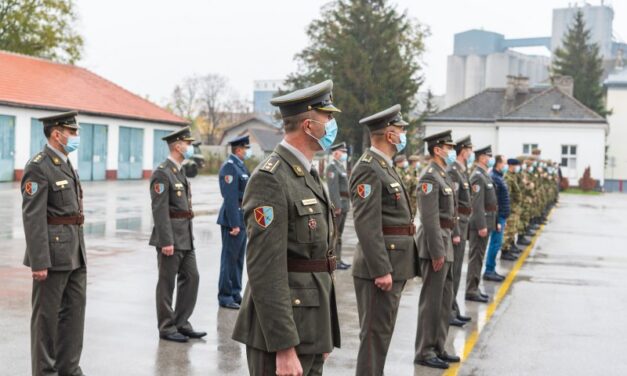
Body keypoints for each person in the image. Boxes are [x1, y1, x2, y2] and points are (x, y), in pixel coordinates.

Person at [232, 80, 341, 376]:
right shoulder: (271, 178)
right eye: (328, 118)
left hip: (310, 324)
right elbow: (265, 268)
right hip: (283, 335)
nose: (333, 125)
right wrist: (284, 347)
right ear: (308, 125)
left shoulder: (306, 172)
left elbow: (318, 258)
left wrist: (324, 330)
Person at [350, 104, 418, 375]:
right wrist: (381, 269)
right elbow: (367, 225)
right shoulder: (369, 168)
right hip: (380, 267)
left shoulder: (383, 166)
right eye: (400, 130)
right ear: (390, 135)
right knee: (374, 335)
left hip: (393, 263)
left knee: (381, 333)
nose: (403, 135)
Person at [21, 111, 88, 376]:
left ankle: (69, 368)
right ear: (57, 134)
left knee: (74, 316)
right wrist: (39, 261)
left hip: (75, 252)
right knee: (46, 320)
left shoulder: (66, 162)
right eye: (72, 132)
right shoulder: (39, 165)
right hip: (52, 254)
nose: (75, 137)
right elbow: (33, 217)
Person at [149, 126, 206, 343]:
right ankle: (166, 326)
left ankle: (181, 322)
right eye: (188, 143)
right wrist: (166, 241)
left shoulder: (179, 171)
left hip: (185, 237)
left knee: (192, 277)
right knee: (166, 284)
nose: (190, 147)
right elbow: (159, 210)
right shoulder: (162, 173)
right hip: (171, 239)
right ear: (177, 145)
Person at [414, 130, 460, 370]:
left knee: (444, 299)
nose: (451, 152)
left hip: (446, 240)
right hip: (436, 243)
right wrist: (437, 251)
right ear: (437, 149)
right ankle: (424, 350)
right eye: (448, 147)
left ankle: (439, 346)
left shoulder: (442, 174)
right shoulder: (429, 177)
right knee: (431, 301)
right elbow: (429, 218)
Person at [217, 135, 251, 309]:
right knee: (229, 259)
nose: (247, 151)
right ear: (238, 149)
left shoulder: (240, 166)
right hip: (233, 218)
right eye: (246, 148)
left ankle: (235, 293)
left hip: (241, 216)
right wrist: (234, 223)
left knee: (238, 259)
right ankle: (225, 296)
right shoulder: (229, 168)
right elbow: (230, 198)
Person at [465, 145, 498, 303]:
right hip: (480, 223)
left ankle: (475, 287)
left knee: (479, 257)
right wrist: (481, 225)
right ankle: (471, 290)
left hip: (487, 221)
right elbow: (477, 204)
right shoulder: (477, 176)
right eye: (488, 156)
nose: (490, 159)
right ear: (482, 158)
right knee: (476, 257)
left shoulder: (484, 174)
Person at [447, 135, 473, 326]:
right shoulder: (453, 172)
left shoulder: (462, 171)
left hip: (463, 223)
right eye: (470, 150)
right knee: (453, 271)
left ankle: (453, 307)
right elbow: (453, 205)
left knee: (456, 272)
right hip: (458, 225)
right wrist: (455, 230)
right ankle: (449, 311)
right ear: (464, 151)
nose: (471, 153)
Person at [483, 155, 510, 282]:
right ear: (498, 164)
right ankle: (489, 270)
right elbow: (495, 201)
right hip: (498, 217)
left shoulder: (499, 177)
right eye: (504, 163)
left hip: (502, 216)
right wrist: (497, 220)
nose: (506, 165)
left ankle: (491, 269)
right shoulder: (494, 177)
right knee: (495, 244)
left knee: (496, 244)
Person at [325, 142, 351, 270]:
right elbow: (333, 189)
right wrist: (336, 205)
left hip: (344, 204)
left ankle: (339, 259)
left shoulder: (340, 166)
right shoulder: (332, 167)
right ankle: (335, 260)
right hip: (339, 205)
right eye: (343, 152)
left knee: (339, 234)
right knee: (336, 234)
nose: (345, 154)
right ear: (335, 153)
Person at [501, 158, 523, 260]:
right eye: (516, 166)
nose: (517, 167)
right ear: (511, 166)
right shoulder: (507, 178)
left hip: (515, 208)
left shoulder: (513, 176)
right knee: (508, 230)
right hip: (511, 208)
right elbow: (507, 195)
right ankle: (504, 251)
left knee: (512, 229)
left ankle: (509, 247)